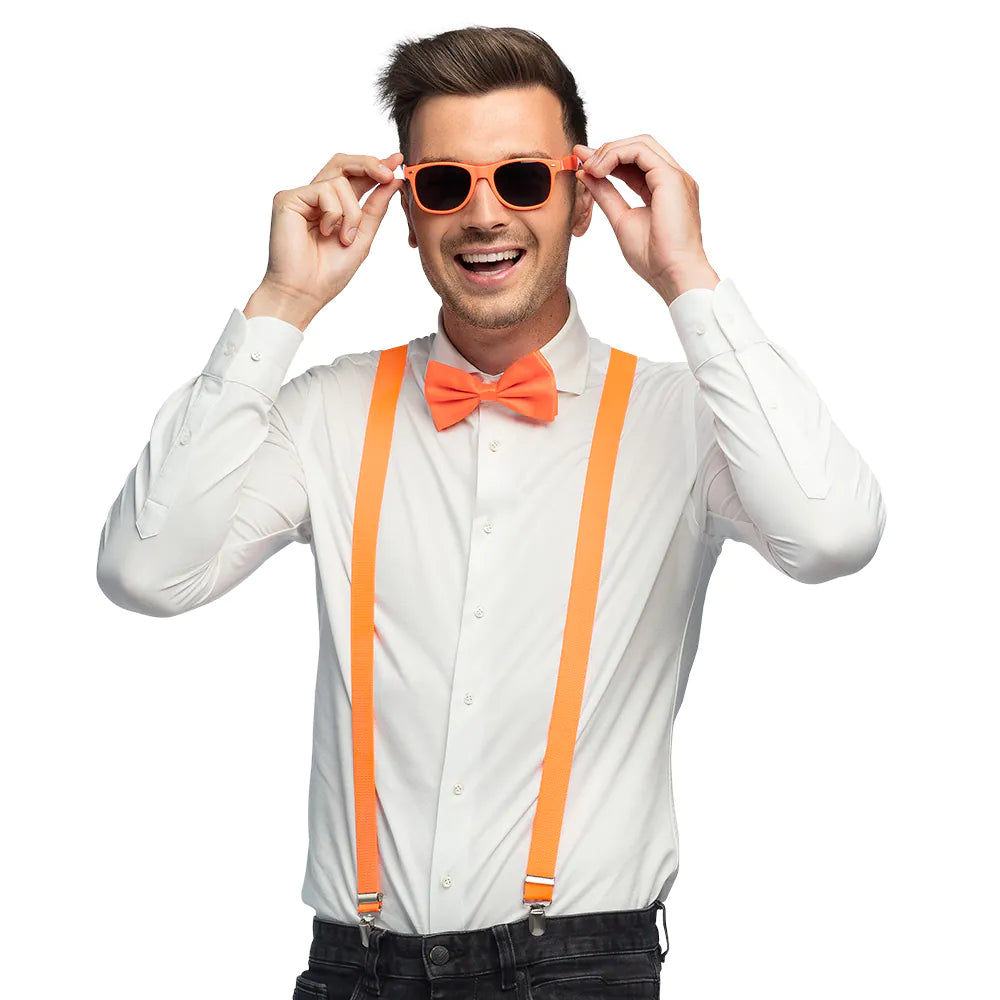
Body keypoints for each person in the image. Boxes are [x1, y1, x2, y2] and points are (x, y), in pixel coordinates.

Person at [95, 24, 887, 1000]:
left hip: (580, 969)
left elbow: (833, 534)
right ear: (406, 211)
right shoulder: (325, 411)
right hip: (356, 969)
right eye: (443, 184)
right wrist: (283, 300)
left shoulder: (684, 417)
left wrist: (687, 275)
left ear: (581, 198)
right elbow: (145, 572)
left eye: (521, 179)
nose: (482, 214)